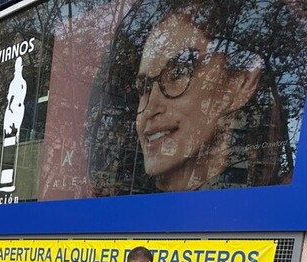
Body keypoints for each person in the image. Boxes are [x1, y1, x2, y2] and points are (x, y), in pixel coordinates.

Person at [87, 0, 307, 196]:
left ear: (240, 84)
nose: (149, 108)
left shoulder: (276, 202)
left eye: (177, 73)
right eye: (143, 87)